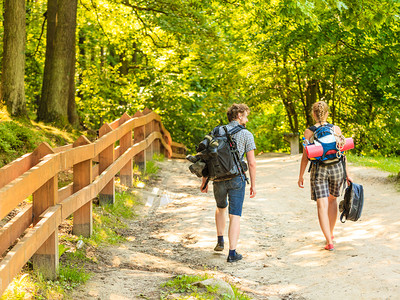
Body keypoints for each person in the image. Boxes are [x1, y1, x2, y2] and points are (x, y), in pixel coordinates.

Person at [201, 103, 256, 262]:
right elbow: (251, 163)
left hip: (218, 178)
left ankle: (220, 240)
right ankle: (232, 253)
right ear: (239, 115)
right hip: (236, 178)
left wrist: (205, 181)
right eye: (245, 115)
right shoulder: (246, 134)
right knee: (235, 215)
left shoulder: (216, 131)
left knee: (220, 208)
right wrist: (253, 184)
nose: (247, 118)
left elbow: (206, 157)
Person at [298, 101, 352, 251]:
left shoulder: (308, 132)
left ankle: (329, 241)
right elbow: (342, 153)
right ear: (327, 113)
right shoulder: (336, 129)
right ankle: (331, 232)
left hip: (319, 170)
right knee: (333, 200)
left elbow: (305, 157)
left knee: (322, 205)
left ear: (313, 114)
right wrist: (347, 174)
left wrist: (301, 175)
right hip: (336, 169)